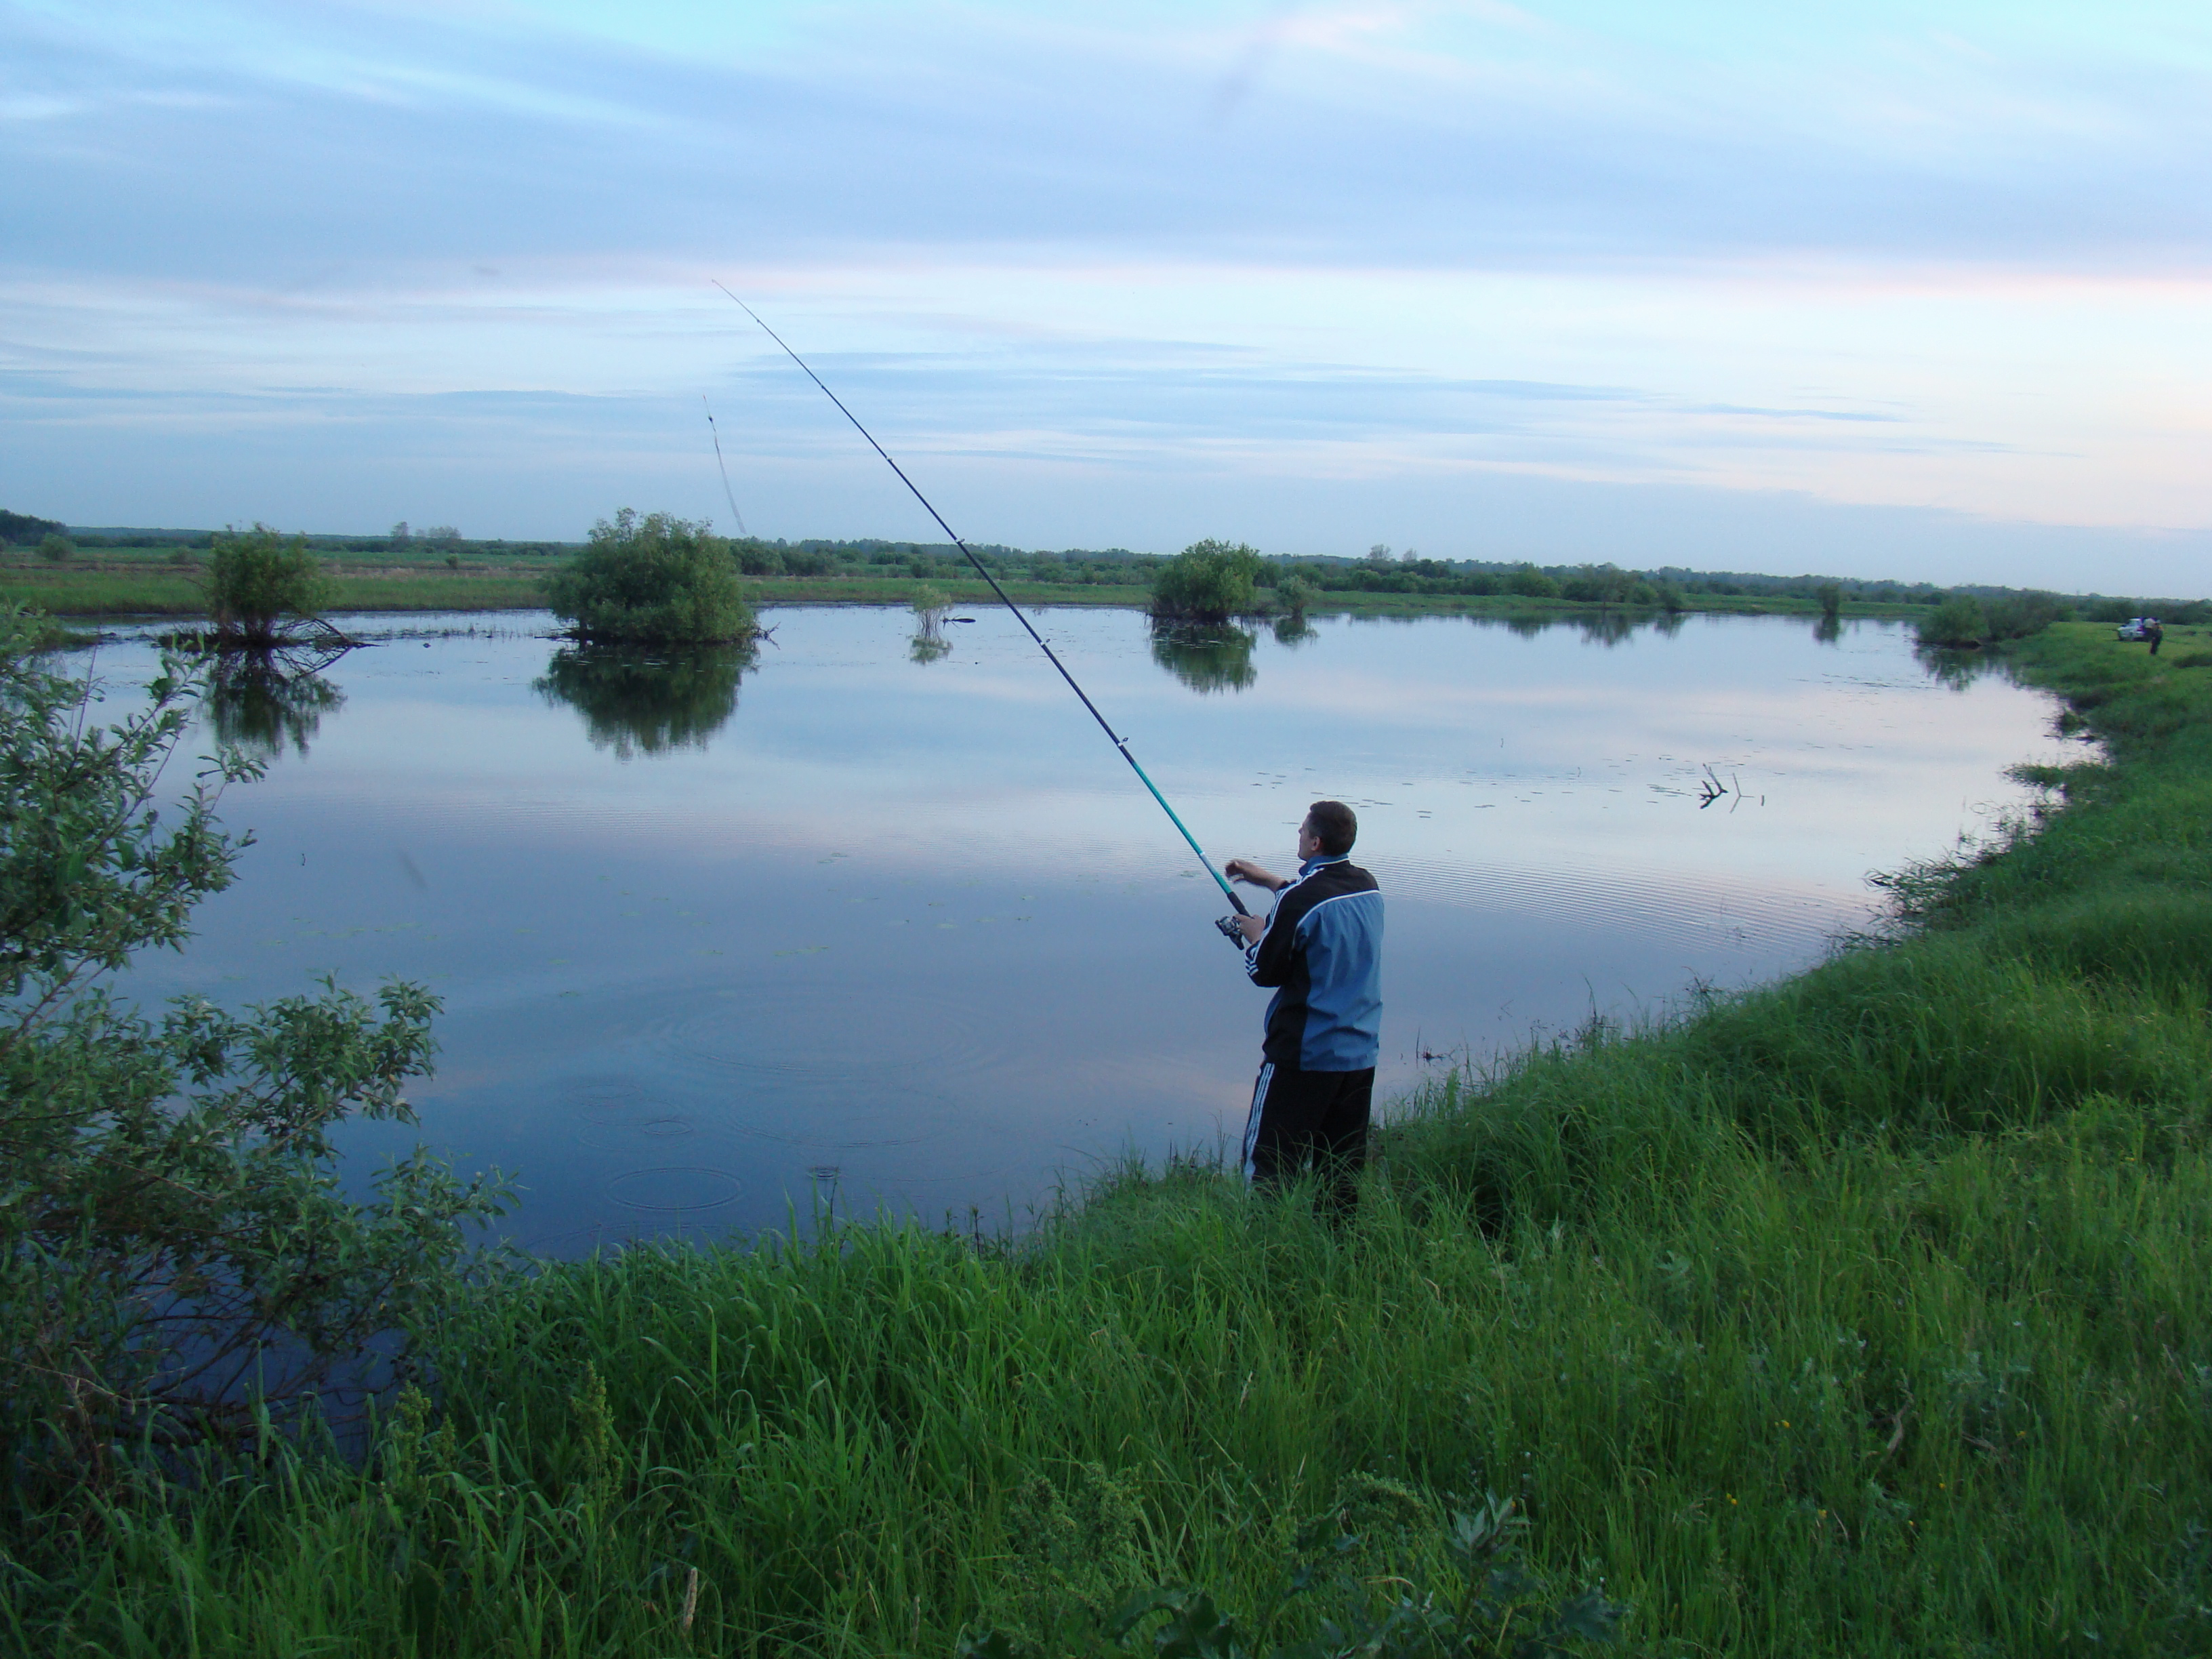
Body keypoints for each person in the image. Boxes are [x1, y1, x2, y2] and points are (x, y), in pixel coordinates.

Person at [1224, 800, 1383, 1217]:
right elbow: (1317, 900)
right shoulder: (1367, 886)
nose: (1297, 835)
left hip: (1303, 1057)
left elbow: (1264, 971)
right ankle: (1341, 1252)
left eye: (1301, 831)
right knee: (1341, 1171)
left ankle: (1260, 1255)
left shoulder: (1300, 899)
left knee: (1269, 1168)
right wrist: (1271, 881)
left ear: (1315, 841)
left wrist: (1257, 935)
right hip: (1359, 1055)